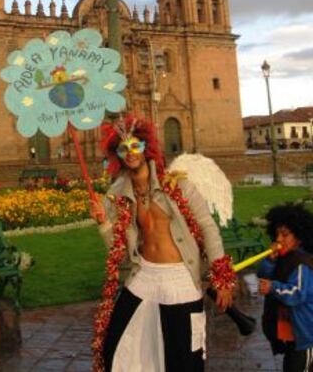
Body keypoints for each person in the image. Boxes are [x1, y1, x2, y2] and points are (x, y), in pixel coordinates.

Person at [90, 114, 234, 372]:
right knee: (118, 348)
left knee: (183, 361)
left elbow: (208, 228)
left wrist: (221, 277)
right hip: (144, 276)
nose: (130, 152)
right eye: (124, 148)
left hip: (180, 280)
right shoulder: (119, 195)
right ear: (117, 154)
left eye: (135, 145)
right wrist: (103, 223)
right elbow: (119, 251)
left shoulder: (178, 185)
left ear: (147, 147)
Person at [258, 203, 313, 372]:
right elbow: (263, 275)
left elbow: (297, 293)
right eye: (277, 234)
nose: (278, 239)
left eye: (284, 235)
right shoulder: (284, 257)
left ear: (299, 237)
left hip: (309, 334)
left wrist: (273, 287)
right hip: (294, 333)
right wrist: (270, 261)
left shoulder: (302, 264)